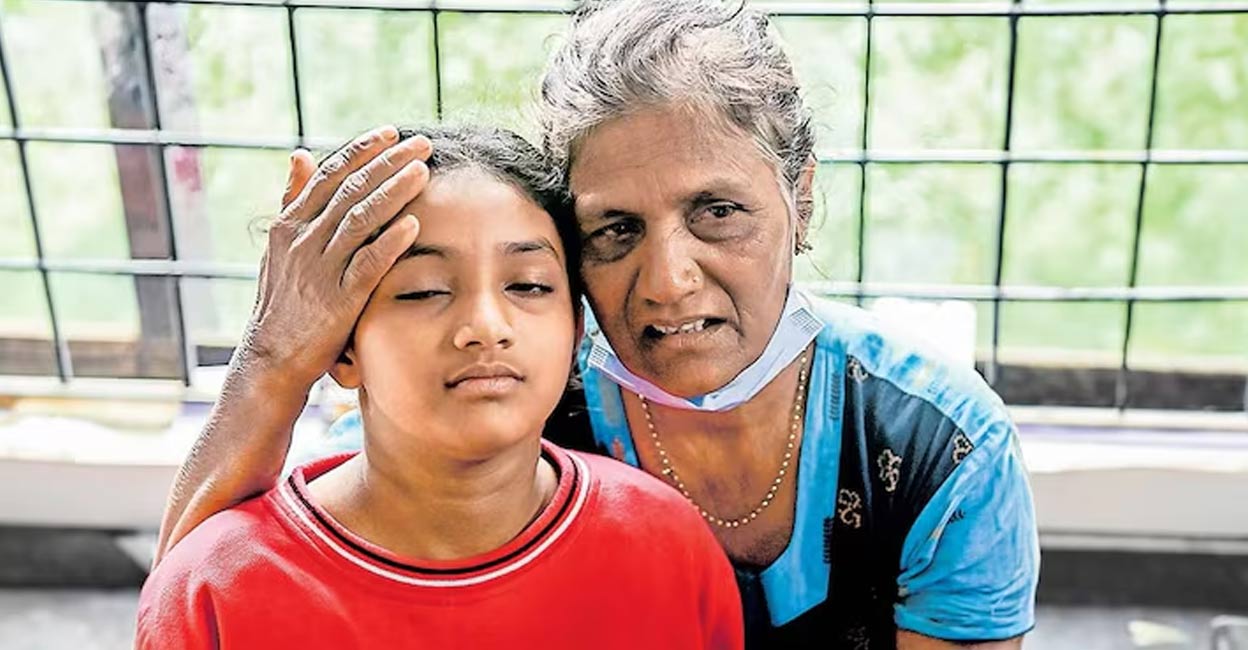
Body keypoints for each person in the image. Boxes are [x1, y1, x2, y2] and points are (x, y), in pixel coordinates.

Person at [155, 1, 1039, 647]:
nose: (666, 279)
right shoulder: (500, 407)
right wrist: (275, 354)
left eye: (718, 211)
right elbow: (204, 598)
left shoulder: (937, 451)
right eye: (614, 230)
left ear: (800, 196)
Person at [136, 125, 743, 650]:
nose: (485, 326)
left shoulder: (667, 546)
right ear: (340, 348)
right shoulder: (217, 588)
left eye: (529, 286)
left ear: (576, 329)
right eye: (424, 290)